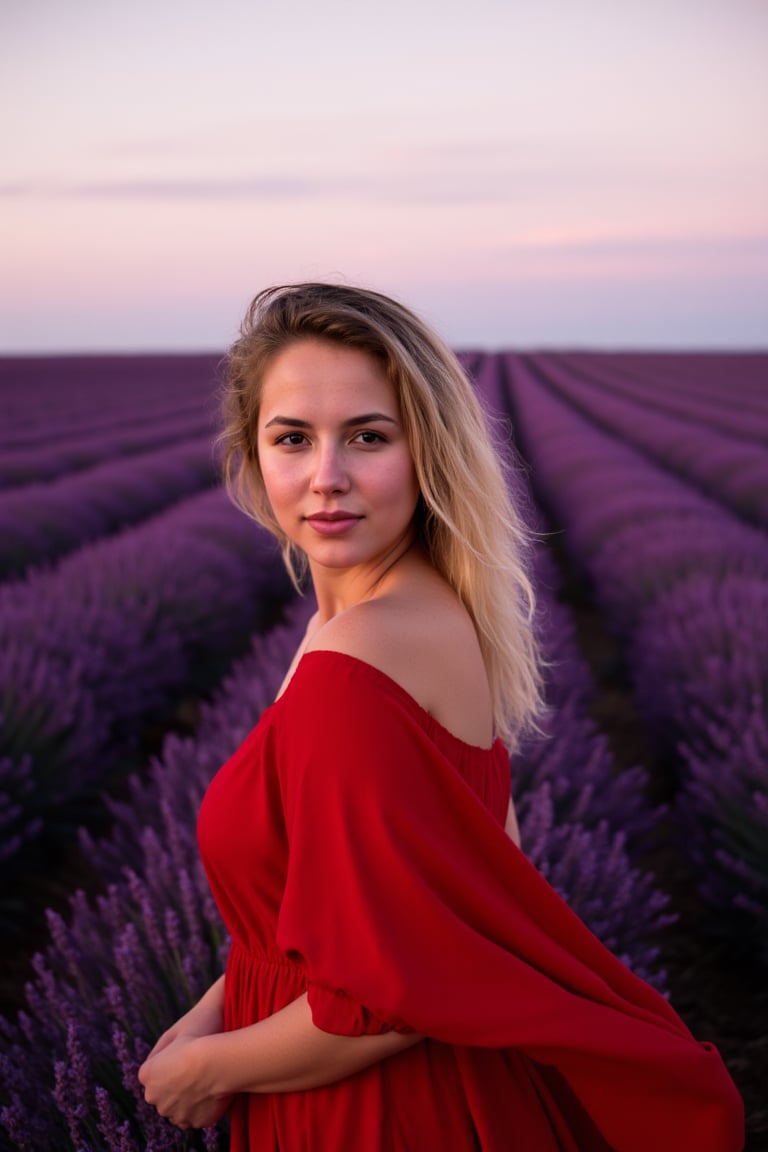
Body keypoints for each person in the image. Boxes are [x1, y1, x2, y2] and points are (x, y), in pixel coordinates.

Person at [139, 282, 743, 1150]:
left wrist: (212, 1068)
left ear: (430, 453)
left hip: (368, 1112)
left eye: (369, 437)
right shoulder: (412, 618)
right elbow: (449, 894)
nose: (327, 478)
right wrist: (218, 1008)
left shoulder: (358, 661)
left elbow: (394, 990)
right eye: (293, 439)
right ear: (250, 454)